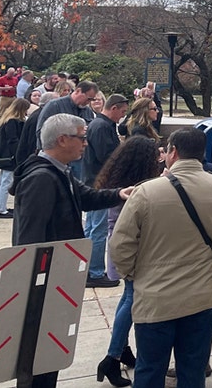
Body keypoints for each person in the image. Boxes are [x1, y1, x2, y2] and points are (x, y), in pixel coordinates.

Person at [110, 128, 212, 388]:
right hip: (203, 297)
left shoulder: (146, 192)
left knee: (149, 370)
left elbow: (120, 245)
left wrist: (133, 274)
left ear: (173, 152)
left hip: (155, 298)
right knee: (192, 370)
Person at [12, 113, 131, 388]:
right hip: (43, 283)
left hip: (56, 276)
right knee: (38, 357)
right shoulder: (42, 177)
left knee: (49, 354)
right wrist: (38, 284)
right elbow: (28, 241)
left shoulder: (58, 170)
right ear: (63, 139)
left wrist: (119, 193)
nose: (86, 144)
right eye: (82, 137)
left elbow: (85, 197)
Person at [94, 136, 165, 387]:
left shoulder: (118, 178)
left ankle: (121, 349)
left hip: (120, 247)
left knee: (127, 298)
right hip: (132, 250)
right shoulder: (137, 188)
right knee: (132, 298)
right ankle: (111, 357)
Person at [79, 93, 130, 288]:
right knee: (98, 229)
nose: (122, 117)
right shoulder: (101, 127)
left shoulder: (101, 125)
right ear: (114, 108)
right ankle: (95, 271)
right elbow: (106, 157)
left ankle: (88, 268)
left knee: (92, 228)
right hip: (100, 182)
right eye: (122, 112)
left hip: (94, 181)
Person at [0, 98, 30, 219]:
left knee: (3, 182)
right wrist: (19, 156)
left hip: (5, 156)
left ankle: (0, 207)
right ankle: (1, 209)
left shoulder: (7, 120)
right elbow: (13, 140)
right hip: (10, 157)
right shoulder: (13, 121)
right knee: (6, 182)